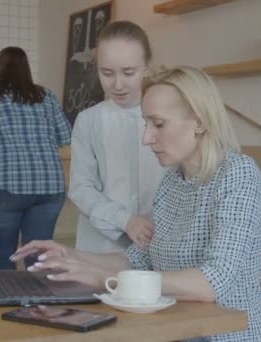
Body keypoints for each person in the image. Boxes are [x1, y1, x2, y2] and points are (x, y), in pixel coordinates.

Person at [12, 66, 261, 341]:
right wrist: (71, 257)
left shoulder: (238, 173)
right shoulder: (171, 183)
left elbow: (211, 282)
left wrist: (106, 280)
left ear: (199, 122)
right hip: (180, 332)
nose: (146, 138)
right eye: (146, 124)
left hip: (232, 335)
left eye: (159, 124)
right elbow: (142, 260)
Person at [0, 46, 71, 270]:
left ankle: (7, 303)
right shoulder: (46, 96)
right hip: (50, 187)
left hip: (7, 187)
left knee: (3, 257)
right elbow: (66, 136)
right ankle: (39, 304)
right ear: (26, 69)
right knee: (38, 260)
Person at [69, 21, 164, 253]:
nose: (118, 84)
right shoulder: (88, 120)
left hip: (161, 241)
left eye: (128, 72)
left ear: (147, 68)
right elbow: (81, 187)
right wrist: (125, 220)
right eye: (107, 73)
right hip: (101, 246)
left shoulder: (169, 115)